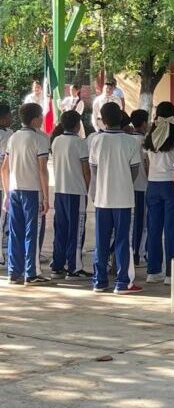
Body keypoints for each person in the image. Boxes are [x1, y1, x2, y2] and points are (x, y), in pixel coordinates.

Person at [89, 102, 143, 294]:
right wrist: (123, 181)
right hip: (123, 198)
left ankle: (99, 281)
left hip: (102, 198)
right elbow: (134, 170)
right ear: (121, 117)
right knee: (122, 240)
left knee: (101, 240)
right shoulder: (129, 141)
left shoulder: (96, 140)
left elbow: (93, 170)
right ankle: (122, 282)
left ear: (102, 120)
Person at [1, 103, 50, 286]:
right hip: (32, 191)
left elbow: (4, 169)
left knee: (16, 232)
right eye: (41, 115)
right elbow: (42, 170)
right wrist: (46, 197)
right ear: (35, 118)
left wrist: (6, 193)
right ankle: (32, 272)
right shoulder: (40, 139)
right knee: (33, 233)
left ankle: (14, 273)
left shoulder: (13, 138)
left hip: (14, 190)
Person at [143, 102, 174, 285]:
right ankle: (170, 273)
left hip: (152, 184)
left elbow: (147, 163)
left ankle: (153, 271)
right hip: (170, 185)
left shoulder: (150, 137)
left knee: (154, 229)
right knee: (171, 229)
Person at [50, 111, 91, 281]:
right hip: (76, 192)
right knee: (76, 230)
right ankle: (74, 268)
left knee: (61, 229)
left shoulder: (56, 141)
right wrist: (87, 189)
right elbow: (86, 171)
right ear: (77, 125)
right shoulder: (80, 143)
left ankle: (57, 265)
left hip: (60, 191)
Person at [128, 110, 149, 267]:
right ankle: (137, 253)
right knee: (141, 223)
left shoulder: (127, 140)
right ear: (144, 123)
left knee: (131, 221)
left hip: (128, 187)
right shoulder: (145, 142)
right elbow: (147, 165)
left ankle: (132, 251)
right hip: (141, 185)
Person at [0, 104, 13, 265]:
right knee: (2, 219)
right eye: (9, 115)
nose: (11, 118)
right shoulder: (8, 135)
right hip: (3, 184)